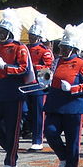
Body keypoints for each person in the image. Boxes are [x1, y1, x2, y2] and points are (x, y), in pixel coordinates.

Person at [0, 9, 32, 167]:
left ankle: (11, 160)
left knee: (13, 127)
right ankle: (11, 149)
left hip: (13, 91)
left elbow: (24, 69)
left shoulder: (20, 47)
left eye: (3, 31)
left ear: (9, 32)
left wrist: (6, 67)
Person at [44, 25, 83, 167]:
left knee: (73, 139)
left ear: (73, 48)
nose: (62, 50)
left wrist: (73, 88)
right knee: (50, 132)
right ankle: (64, 157)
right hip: (55, 103)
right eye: (62, 47)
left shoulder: (82, 64)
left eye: (66, 48)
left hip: (74, 106)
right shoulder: (57, 61)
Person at [26, 16, 54, 151]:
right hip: (26, 83)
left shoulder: (44, 50)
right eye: (30, 35)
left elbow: (49, 66)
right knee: (27, 111)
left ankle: (38, 139)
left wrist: (33, 67)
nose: (31, 38)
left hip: (39, 84)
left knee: (39, 113)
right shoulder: (25, 48)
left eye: (33, 36)